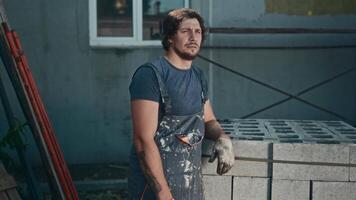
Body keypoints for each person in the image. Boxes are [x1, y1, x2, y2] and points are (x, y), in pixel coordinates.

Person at [128, 8, 235, 200]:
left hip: (189, 187)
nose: (194, 37)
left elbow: (208, 119)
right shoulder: (150, 75)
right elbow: (142, 140)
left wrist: (222, 138)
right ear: (169, 37)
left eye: (198, 31)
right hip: (155, 191)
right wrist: (164, 194)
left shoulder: (198, 76)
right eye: (186, 31)